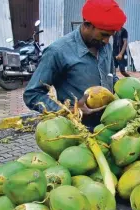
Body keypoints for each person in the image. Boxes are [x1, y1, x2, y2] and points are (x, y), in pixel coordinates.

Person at [23, 0, 126, 130]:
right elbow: (32, 94)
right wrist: (71, 110)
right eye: (104, 35)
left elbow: (110, 77)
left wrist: (126, 90)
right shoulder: (58, 51)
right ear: (87, 25)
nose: (107, 41)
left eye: (110, 36)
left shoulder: (105, 47)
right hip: (77, 131)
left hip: (108, 128)